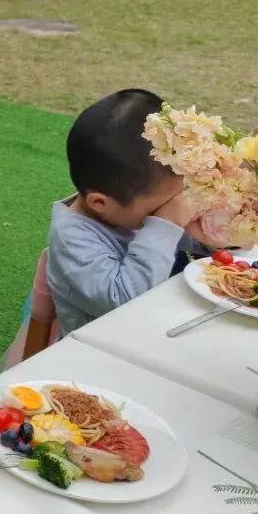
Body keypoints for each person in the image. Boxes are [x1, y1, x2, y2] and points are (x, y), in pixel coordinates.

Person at [46, 88, 216, 338]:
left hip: (162, 328)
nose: (176, 207)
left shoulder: (132, 208)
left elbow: (189, 246)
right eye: (161, 208)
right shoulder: (72, 238)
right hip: (102, 350)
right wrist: (166, 222)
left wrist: (211, 236)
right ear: (100, 202)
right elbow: (124, 302)